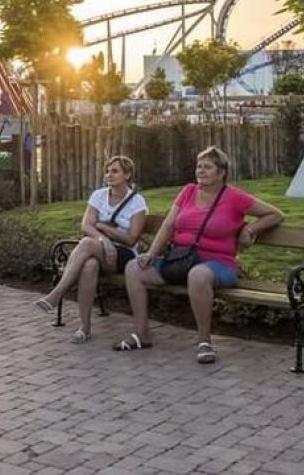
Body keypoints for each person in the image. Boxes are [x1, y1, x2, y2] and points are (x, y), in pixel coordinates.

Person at [118, 146, 285, 364]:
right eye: (199, 166)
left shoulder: (234, 197)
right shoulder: (188, 191)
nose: (201, 171)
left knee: (198, 275)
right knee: (134, 268)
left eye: (208, 167)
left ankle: (204, 342)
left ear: (221, 172)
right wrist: (151, 253)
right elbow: (168, 226)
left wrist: (250, 229)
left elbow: (275, 214)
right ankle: (142, 334)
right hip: (182, 260)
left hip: (218, 264)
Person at [33, 156, 148, 343]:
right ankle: (84, 328)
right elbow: (86, 225)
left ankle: (57, 294)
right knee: (89, 266)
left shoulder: (137, 202)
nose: (109, 175)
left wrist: (105, 228)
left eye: (115, 171)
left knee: (87, 243)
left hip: (124, 257)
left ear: (127, 175)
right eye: (107, 171)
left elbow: (131, 238)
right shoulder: (98, 195)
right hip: (101, 249)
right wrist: (104, 240)